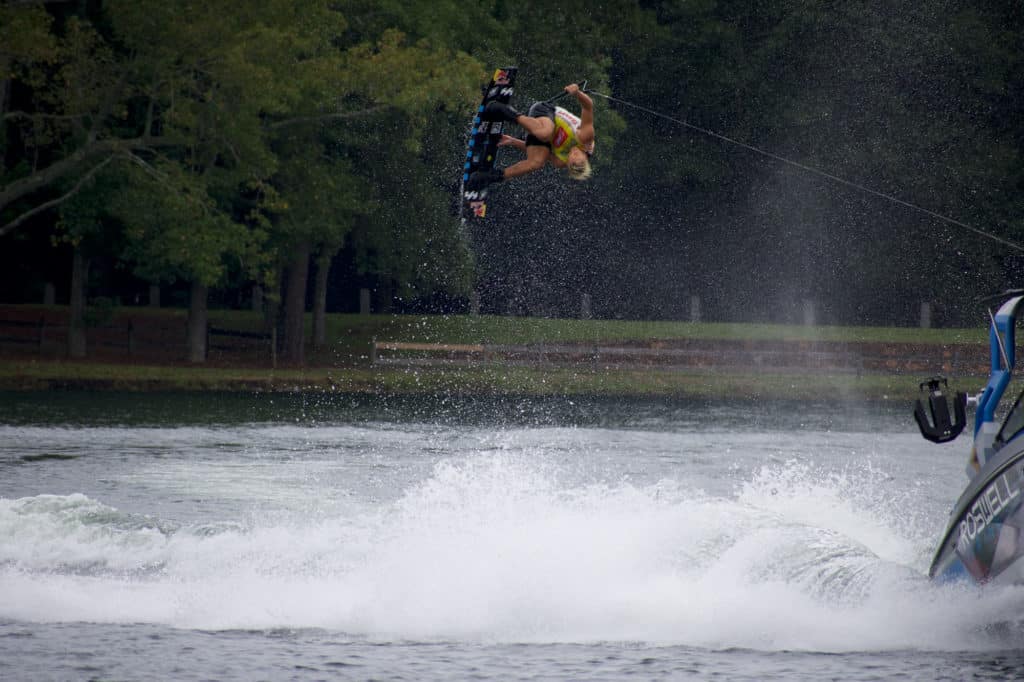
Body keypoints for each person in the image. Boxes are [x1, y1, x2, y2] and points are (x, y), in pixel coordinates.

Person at [465, 83, 595, 190]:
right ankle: (502, 109)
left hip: (540, 134)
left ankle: (491, 177)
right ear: (585, 157)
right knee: (545, 133)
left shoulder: (561, 161)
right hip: (545, 111)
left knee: (537, 163)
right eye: (578, 155)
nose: (573, 153)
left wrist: (513, 141)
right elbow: (588, 106)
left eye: (571, 158)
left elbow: (539, 152)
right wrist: (577, 93)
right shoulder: (585, 137)